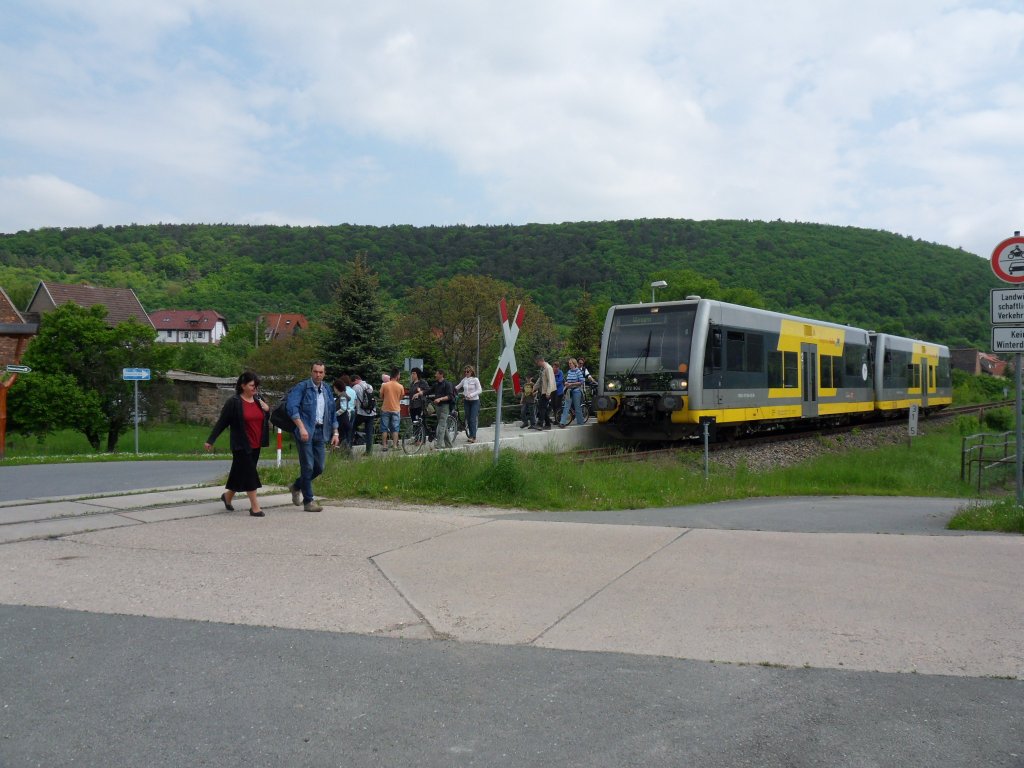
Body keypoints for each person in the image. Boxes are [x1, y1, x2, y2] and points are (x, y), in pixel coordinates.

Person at [204, 371, 271, 517]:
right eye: (252, 385)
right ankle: (255, 507)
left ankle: (227, 497)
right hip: (241, 445)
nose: (255, 388)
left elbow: (264, 418)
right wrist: (211, 440)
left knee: (240, 473)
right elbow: (222, 422)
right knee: (250, 474)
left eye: (256, 385)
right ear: (243, 386)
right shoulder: (234, 402)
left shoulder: (259, 400)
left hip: (256, 445)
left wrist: (267, 410)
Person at [286, 362, 340, 513]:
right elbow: (292, 407)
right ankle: (309, 501)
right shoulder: (302, 387)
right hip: (305, 431)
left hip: (321, 432)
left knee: (319, 467)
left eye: (321, 372)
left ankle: (296, 486)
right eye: (315, 371)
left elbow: (332, 412)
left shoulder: (326, 389)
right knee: (308, 466)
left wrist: (335, 432)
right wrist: (301, 427)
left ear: (324, 373)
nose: (318, 375)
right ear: (311, 372)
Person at [380, 368, 406, 451]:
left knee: (384, 428)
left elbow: (381, 396)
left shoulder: (384, 385)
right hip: (396, 409)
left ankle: (384, 446)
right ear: (397, 375)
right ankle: (395, 446)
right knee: (395, 428)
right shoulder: (400, 386)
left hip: (385, 409)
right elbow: (401, 397)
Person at [455, 365, 482, 443]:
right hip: (466, 401)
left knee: (472, 419)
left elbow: (480, 390)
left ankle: (473, 437)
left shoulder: (475, 379)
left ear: (471, 372)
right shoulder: (464, 380)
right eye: (465, 372)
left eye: (468, 371)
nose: (466, 373)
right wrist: (450, 389)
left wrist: (471, 395)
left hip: (474, 401)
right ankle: (470, 435)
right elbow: (457, 387)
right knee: (468, 418)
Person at [430, 369, 456, 448]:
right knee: (443, 425)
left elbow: (450, 396)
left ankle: (439, 445)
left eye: (437, 374)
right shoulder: (436, 384)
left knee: (441, 425)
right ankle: (449, 445)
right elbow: (429, 391)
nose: (435, 375)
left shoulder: (447, 384)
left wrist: (440, 399)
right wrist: (420, 393)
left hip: (445, 406)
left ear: (441, 375)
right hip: (438, 407)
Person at [351, 374, 376, 454]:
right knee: (369, 432)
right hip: (371, 412)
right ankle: (369, 451)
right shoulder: (370, 386)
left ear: (356, 380)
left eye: (353, 383)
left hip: (361, 413)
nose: (353, 384)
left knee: (352, 427)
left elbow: (353, 399)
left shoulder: (356, 387)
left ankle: (348, 448)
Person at [407, 367, 431, 444]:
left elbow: (428, 390)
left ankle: (421, 439)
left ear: (417, 374)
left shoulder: (422, 382)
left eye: (414, 373)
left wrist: (419, 393)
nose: (412, 375)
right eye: (412, 373)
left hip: (420, 405)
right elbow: (410, 395)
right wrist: (409, 405)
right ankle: (417, 438)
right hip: (412, 406)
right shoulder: (412, 384)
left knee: (420, 422)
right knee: (414, 422)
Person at [559, 357, 585, 427]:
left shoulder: (578, 371)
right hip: (569, 391)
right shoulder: (569, 371)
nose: (569, 364)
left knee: (577, 407)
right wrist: (566, 383)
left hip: (576, 391)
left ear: (574, 364)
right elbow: (568, 380)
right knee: (566, 406)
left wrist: (572, 384)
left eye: (570, 363)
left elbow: (581, 382)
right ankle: (562, 423)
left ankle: (580, 422)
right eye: (569, 363)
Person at [333, 375, 356, 451]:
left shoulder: (342, 396)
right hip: (344, 420)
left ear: (337, 388)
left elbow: (343, 408)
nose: (334, 389)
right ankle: (344, 451)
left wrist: (334, 414)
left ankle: (344, 452)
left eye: (334, 388)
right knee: (344, 437)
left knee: (343, 437)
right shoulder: (341, 396)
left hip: (342, 420)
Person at [534, 354, 555, 430]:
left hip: (548, 391)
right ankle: (548, 424)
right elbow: (540, 380)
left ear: (541, 361)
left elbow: (550, 381)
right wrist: (534, 388)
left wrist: (548, 393)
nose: (537, 364)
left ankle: (540, 424)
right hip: (543, 391)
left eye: (537, 362)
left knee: (542, 407)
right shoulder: (543, 368)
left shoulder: (548, 368)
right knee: (542, 407)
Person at [551, 361, 565, 428]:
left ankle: (559, 419)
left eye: (556, 367)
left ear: (558, 367)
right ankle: (556, 419)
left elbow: (560, 381)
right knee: (553, 405)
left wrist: (553, 384)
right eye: (554, 367)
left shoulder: (560, 372)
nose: (555, 368)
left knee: (558, 405)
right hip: (553, 391)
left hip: (559, 391)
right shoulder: (551, 373)